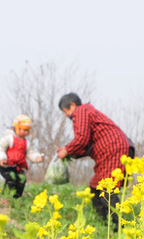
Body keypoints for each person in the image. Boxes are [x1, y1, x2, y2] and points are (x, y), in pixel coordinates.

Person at [56, 92, 132, 231]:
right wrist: (69, 152)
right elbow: (86, 145)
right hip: (109, 151)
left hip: (114, 149)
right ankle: (105, 228)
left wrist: (66, 150)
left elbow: (82, 138)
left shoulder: (81, 110)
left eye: (65, 111)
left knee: (106, 189)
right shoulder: (87, 113)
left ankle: (121, 229)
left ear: (72, 105)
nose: (66, 115)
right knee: (96, 189)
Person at [0, 115, 43, 198]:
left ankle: (16, 198)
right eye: (24, 130)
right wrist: (1, 159)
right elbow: (0, 148)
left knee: (22, 179)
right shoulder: (9, 138)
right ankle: (5, 197)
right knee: (12, 177)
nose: (26, 132)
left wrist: (37, 157)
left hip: (18, 167)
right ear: (17, 128)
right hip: (6, 166)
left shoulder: (26, 143)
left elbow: (30, 153)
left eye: (27, 130)